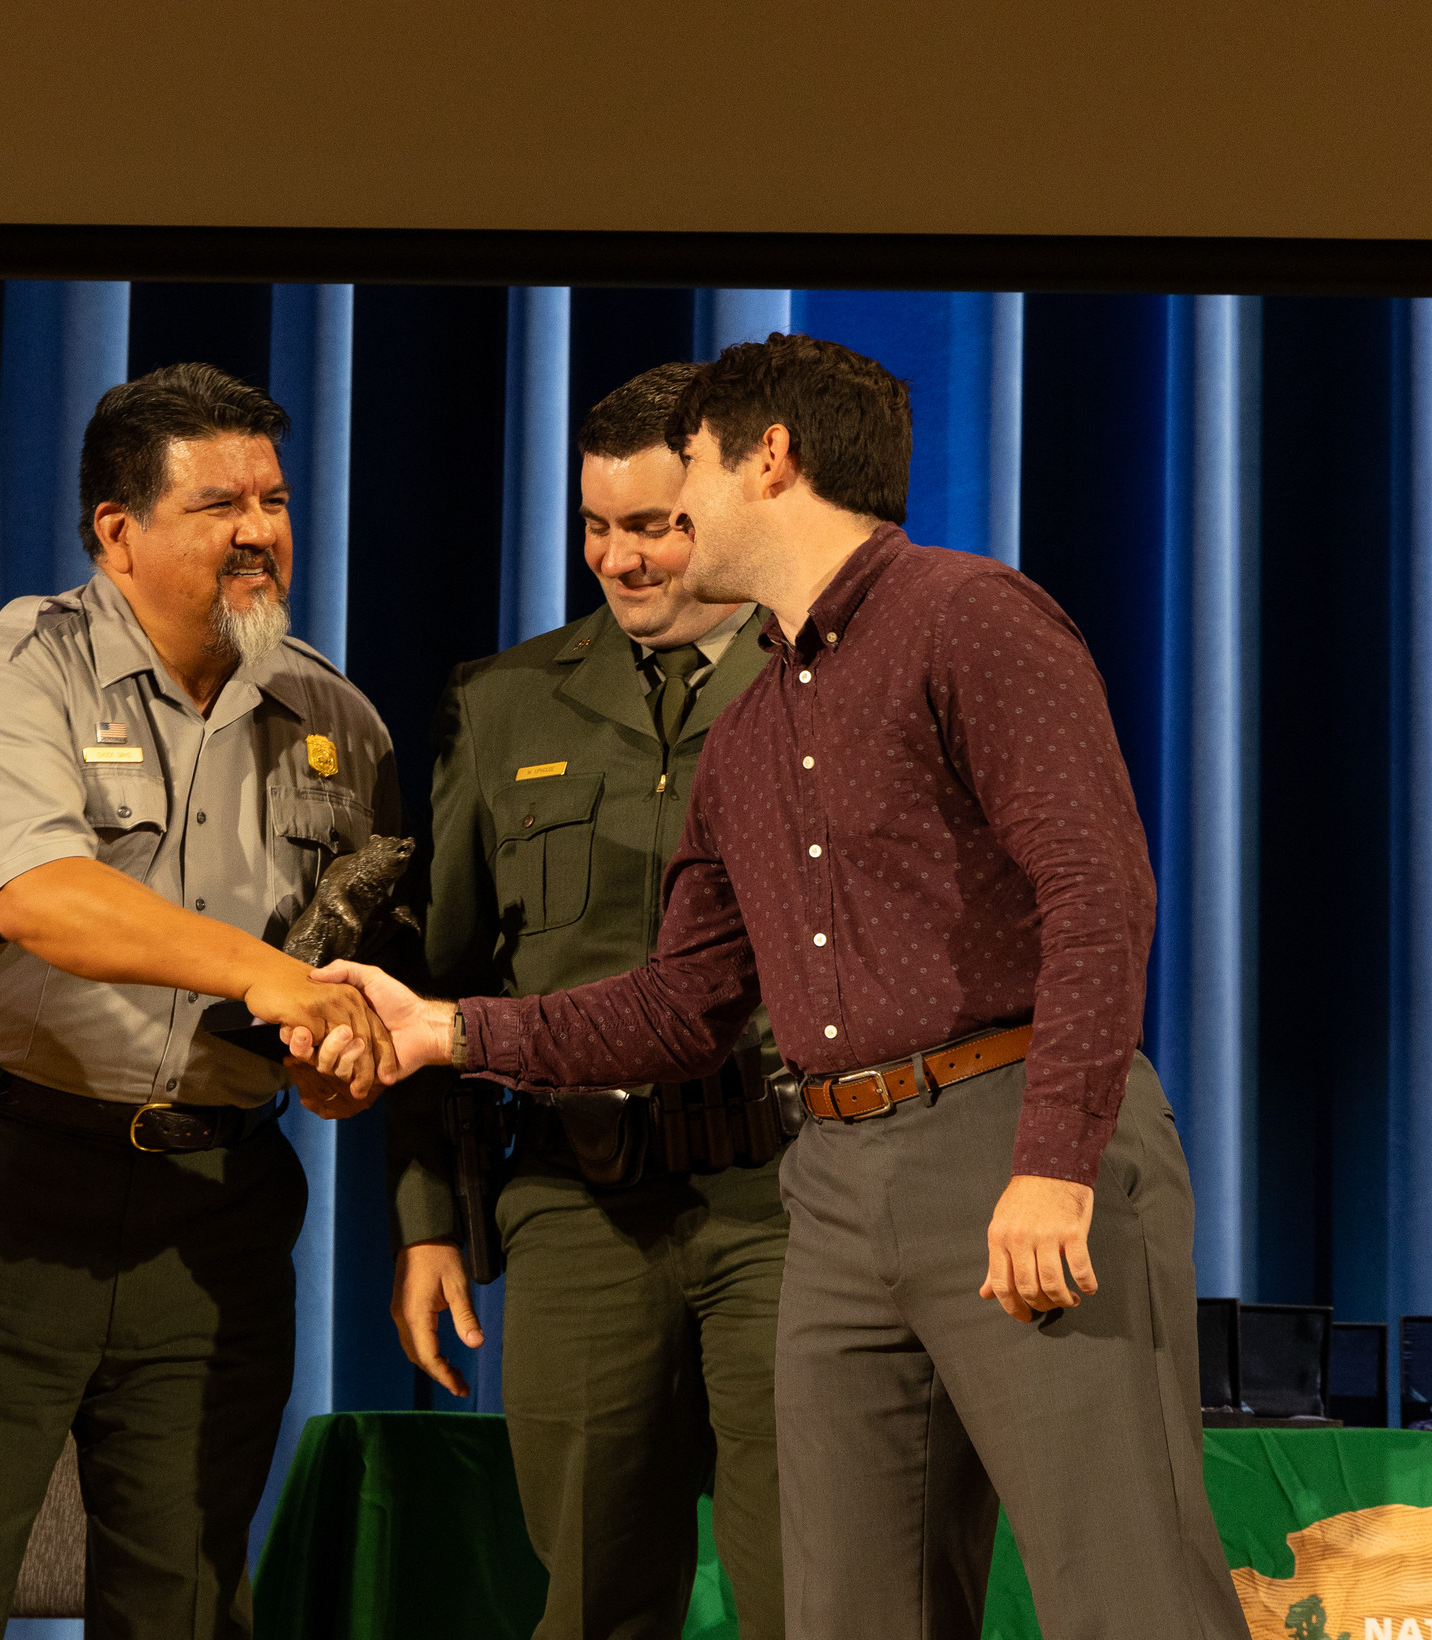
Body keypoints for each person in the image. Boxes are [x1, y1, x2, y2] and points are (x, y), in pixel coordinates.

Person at [301, 334, 1247, 1639]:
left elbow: (1099, 891)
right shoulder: (751, 732)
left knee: (1122, 1589)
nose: (668, 508)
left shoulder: (969, 617)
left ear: (770, 459)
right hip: (835, 1189)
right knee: (846, 1610)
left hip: (1009, 1133)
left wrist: (1054, 1160)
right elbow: (678, 1007)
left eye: (686, 463)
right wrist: (446, 1028)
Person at [0, 362, 400, 1639]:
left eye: (272, 498)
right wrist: (262, 971)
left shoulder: (333, 717)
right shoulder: (14, 673)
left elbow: (354, 950)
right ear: (118, 533)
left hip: (213, 1208)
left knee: (188, 1599)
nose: (258, 529)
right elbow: (41, 896)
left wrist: (330, 1042)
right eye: (216, 504)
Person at [389, 362, 787, 1640]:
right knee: (591, 1598)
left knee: (814, 1587)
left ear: (723, 507)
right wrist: (428, 1219)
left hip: (790, 1197)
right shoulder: (502, 702)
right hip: (574, 1200)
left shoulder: (819, 680)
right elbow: (438, 981)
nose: (618, 558)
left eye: (656, 524)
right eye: (595, 525)